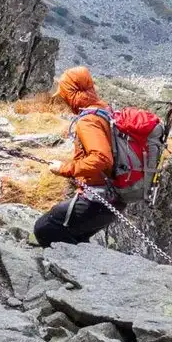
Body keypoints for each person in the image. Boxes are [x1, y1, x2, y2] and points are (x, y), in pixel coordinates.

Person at [33, 66, 122, 247]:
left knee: (44, 228)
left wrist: (63, 169)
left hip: (97, 200)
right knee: (76, 238)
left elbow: (101, 158)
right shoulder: (105, 110)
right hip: (115, 200)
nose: (63, 99)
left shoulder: (89, 120)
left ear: (70, 92)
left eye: (64, 93)